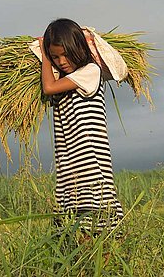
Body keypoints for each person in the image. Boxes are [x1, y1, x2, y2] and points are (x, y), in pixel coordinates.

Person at [39, 18, 123, 234]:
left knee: (95, 223)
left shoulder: (90, 72)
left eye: (65, 54)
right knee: (72, 225)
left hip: (89, 163)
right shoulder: (66, 81)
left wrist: (44, 56)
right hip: (68, 165)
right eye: (55, 57)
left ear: (78, 47)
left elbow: (48, 87)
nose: (61, 61)